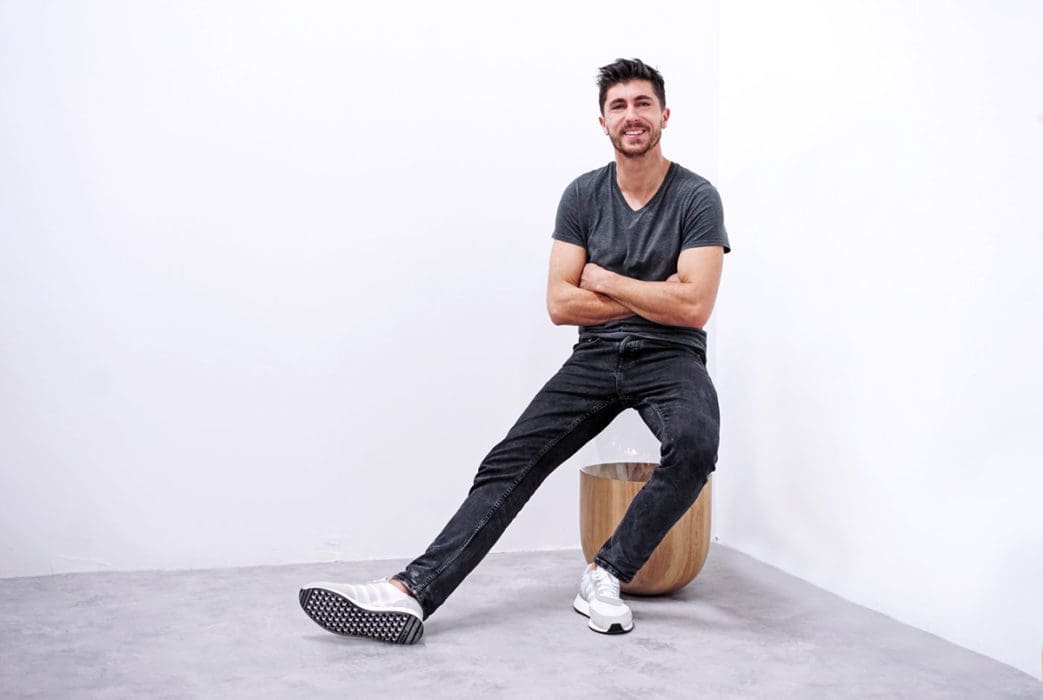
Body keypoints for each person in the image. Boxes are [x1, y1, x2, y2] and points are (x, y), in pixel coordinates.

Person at [299, 58, 730, 644]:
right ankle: (411, 592)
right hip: (596, 357)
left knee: (696, 445)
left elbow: (694, 307)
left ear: (664, 115)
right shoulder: (582, 195)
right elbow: (560, 303)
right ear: (602, 122)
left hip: (671, 356)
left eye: (642, 104)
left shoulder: (696, 196)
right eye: (619, 106)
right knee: (508, 462)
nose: (632, 116)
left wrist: (604, 280)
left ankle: (606, 573)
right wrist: (658, 293)